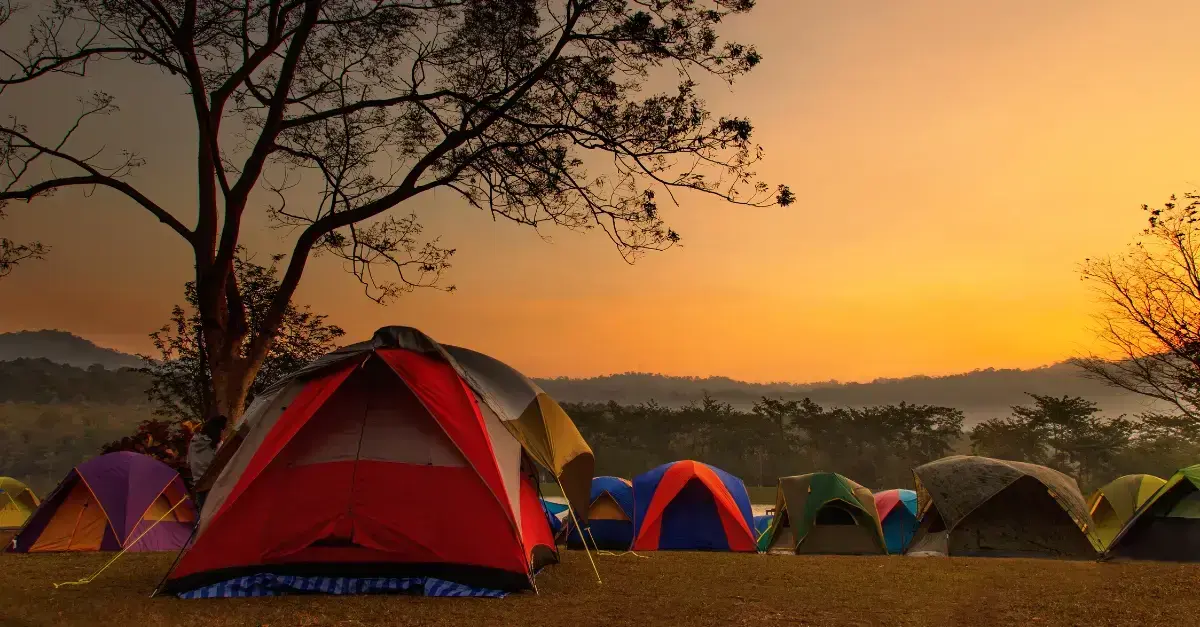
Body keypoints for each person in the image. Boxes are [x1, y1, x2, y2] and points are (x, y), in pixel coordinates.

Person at [188, 414, 228, 514]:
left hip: (198, 484)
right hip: (213, 485)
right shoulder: (217, 445)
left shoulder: (193, 442)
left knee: (202, 517)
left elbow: (188, 462)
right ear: (219, 430)